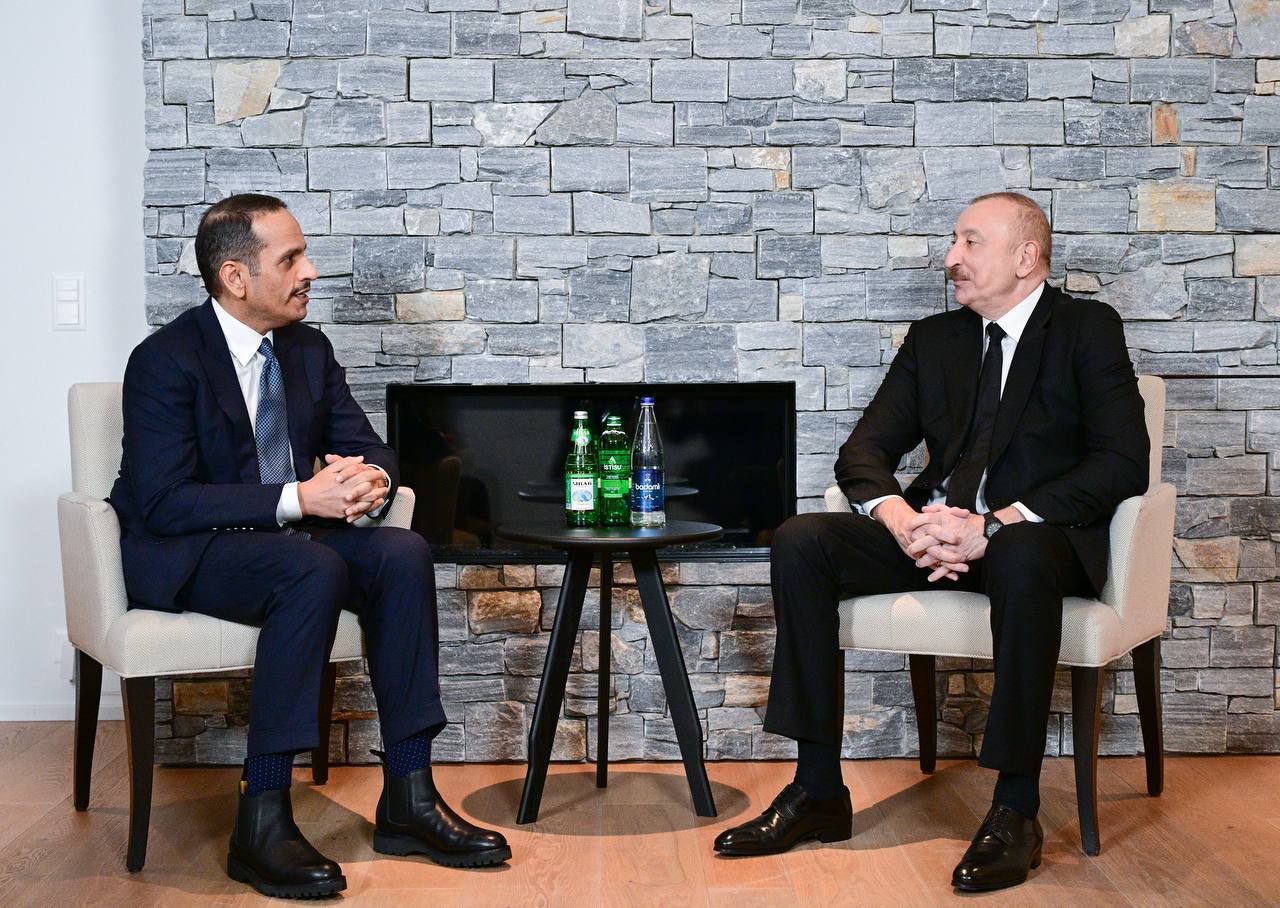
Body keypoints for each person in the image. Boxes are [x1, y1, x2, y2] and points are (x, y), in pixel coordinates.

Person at [713, 192, 1149, 893]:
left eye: (970, 242)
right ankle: (817, 788)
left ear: (1027, 257)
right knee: (802, 540)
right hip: (933, 534)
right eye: (954, 242)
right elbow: (863, 452)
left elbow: (1123, 462)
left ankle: (1016, 808)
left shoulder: (1085, 329)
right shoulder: (936, 340)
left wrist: (994, 525)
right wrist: (903, 522)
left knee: (1022, 552)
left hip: (1034, 544)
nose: (951, 258)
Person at [110, 193, 510, 898]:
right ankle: (260, 818)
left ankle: (409, 797)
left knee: (401, 553)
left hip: (287, 545)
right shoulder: (164, 360)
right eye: (291, 258)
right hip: (191, 551)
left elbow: (367, 445)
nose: (311, 272)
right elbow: (165, 502)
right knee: (311, 567)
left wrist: (369, 480)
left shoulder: (306, 350)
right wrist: (301, 497)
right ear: (236, 277)